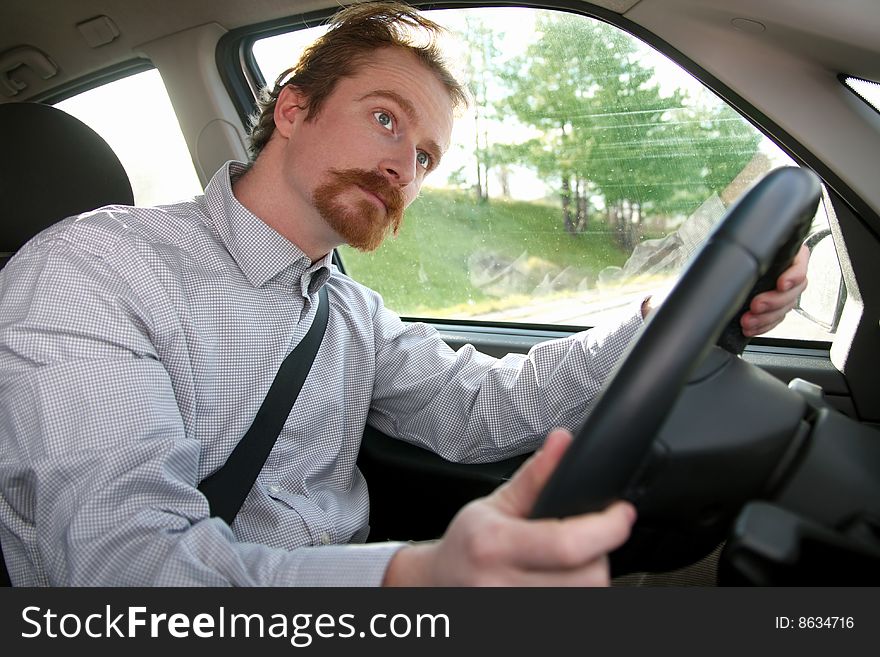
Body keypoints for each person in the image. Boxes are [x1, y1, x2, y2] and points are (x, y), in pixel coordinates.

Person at [0, 2, 807, 587]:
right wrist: (412, 583)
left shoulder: (351, 314)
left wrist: (661, 318)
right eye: (387, 120)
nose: (403, 169)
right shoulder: (92, 270)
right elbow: (125, 574)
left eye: (425, 158)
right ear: (293, 107)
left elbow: (488, 407)